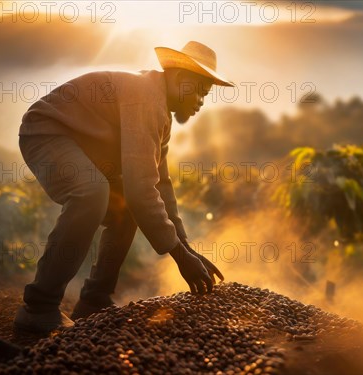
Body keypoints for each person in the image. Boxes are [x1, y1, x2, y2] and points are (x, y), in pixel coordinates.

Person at [13, 41, 230, 333]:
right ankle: (38, 307)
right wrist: (180, 257)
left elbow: (160, 186)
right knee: (91, 192)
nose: (202, 102)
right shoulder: (145, 98)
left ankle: (94, 298)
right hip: (47, 132)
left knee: (125, 205)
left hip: (82, 146)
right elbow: (142, 191)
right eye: (201, 92)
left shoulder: (159, 115)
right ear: (181, 80)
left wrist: (188, 248)